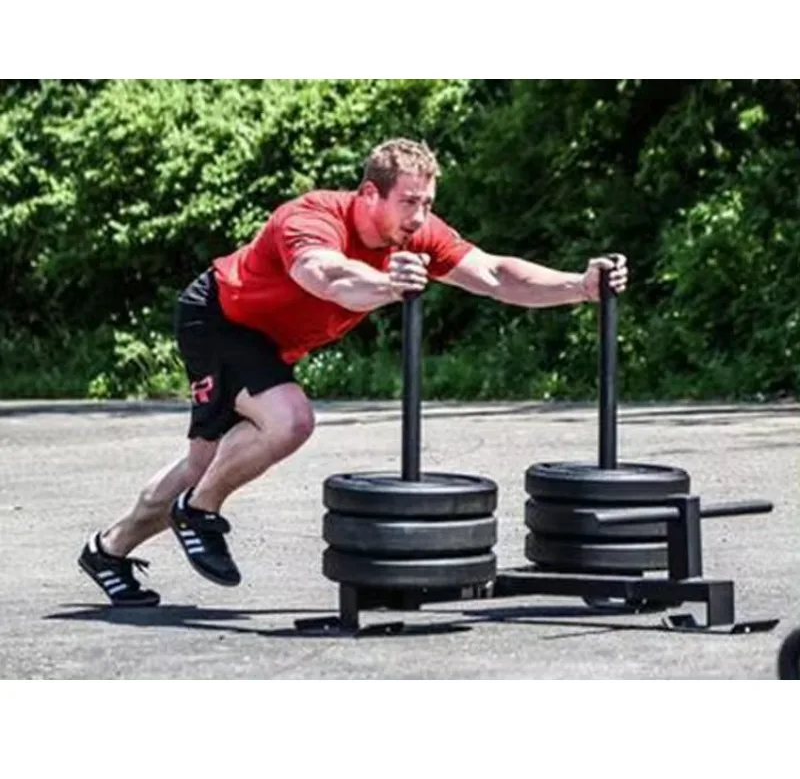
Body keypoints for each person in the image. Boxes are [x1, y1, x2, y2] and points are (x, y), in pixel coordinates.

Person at [78, 137, 628, 606]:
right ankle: (198, 512)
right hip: (221, 319)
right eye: (409, 201)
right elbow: (326, 276)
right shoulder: (311, 218)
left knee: (202, 460)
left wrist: (577, 286)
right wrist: (387, 285)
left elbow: (492, 274)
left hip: (270, 345)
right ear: (369, 193)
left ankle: (107, 551)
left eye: (427, 202)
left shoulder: (415, 234)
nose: (419, 216)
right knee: (289, 420)